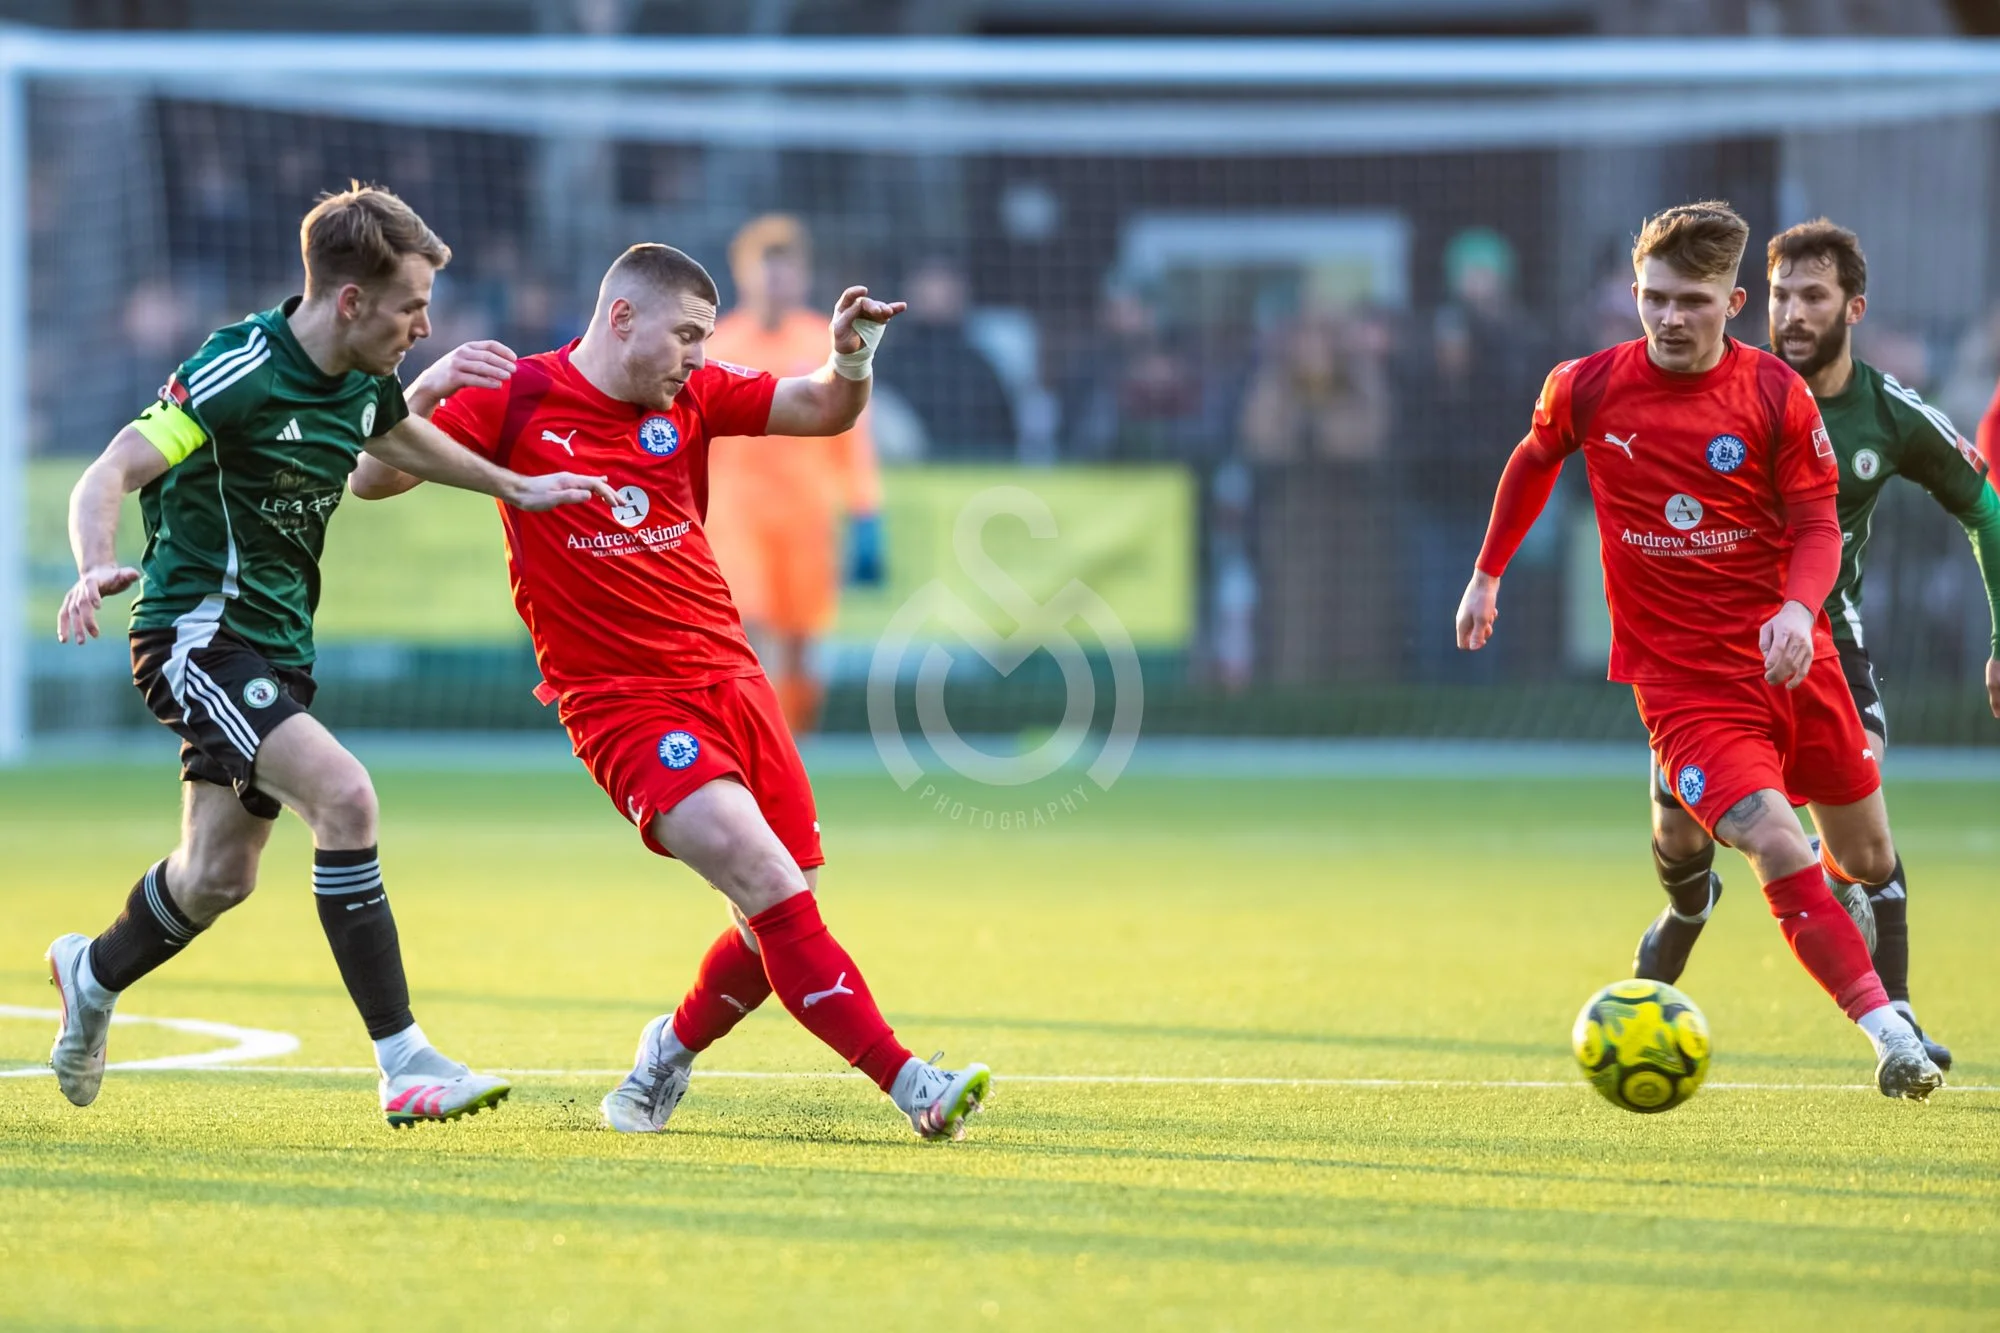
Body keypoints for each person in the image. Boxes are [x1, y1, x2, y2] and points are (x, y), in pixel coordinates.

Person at [348, 243, 992, 1141]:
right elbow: (373, 476)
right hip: (622, 702)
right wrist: (424, 389)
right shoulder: (515, 395)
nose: (698, 354)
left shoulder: (691, 395)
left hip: (733, 679)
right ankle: (915, 1083)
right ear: (621, 318)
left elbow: (821, 407)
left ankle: (664, 1054)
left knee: (783, 911)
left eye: (705, 338)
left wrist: (851, 356)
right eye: (686, 335)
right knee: (770, 883)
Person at [46, 184, 614, 1126]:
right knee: (345, 795)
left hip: (277, 646)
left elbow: (394, 442)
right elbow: (110, 469)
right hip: (197, 636)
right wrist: (96, 563)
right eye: (410, 306)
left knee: (217, 875)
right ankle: (404, 1060)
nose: (424, 327)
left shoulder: (360, 377)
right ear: (350, 300)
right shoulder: (237, 371)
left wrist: (515, 485)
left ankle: (92, 971)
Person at [1456, 200, 1944, 1100]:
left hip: (1795, 659)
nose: (1669, 318)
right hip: (1682, 679)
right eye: (1652, 298)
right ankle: (1890, 1031)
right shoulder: (1589, 386)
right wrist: (1488, 572)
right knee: (1770, 837)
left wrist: (1800, 613)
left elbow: (1814, 526)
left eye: (1689, 300)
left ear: (1731, 301)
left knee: (1869, 859)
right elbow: (1534, 457)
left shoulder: (1773, 394)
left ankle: (1708, 890)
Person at [1628, 220, 2000, 1071]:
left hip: (1824, 637)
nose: (1794, 314)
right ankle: (1688, 911)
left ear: (1853, 309)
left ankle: (1896, 1010)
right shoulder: (1707, 384)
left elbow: (1984, 504)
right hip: (1696, 656)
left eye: (1815, 297)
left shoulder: (1884, 412)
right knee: (1682, 842)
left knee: (1862, 838)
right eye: (1784, 295)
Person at [703, 214, 882, 736]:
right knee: (749, 630)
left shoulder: (827, 343)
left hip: (807, 518)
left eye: (786, 270)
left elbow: (853, 435)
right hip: (736, 516)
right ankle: (748, 742)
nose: (775, 281)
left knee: (803, 647)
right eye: (765, 269)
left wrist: (866, 511)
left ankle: (793, 747)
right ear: (742, 274)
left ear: (802, 275)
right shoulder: (718, 345)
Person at [874, 255, 1017, 459]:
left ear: (961, 291)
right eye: (927, 282)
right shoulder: (888, 361)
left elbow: (1005, 433)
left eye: (943, 282)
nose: (935, 292)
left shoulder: (980, 365)